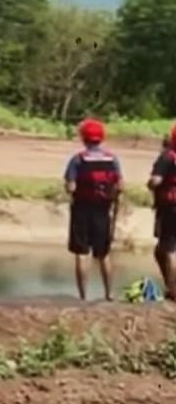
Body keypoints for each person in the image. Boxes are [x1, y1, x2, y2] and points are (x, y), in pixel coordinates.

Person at [63, 118, 123, 301]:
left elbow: (71, 187)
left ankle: (83, 296)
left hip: (81, 209)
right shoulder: (112, 159)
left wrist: (70, 189)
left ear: (84, 138)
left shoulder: (78, 160)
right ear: (101, 138)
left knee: (82, 253)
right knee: (103, 253)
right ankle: (109, 294)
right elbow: (120, 185)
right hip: (103, 210)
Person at [147, 127, 176, 301]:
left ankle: (173, 291)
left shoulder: (168, 157)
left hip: (170, 206)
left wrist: (150, 184)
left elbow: (156, 181)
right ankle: (170, 285)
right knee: (161, 250)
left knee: (168, 248)